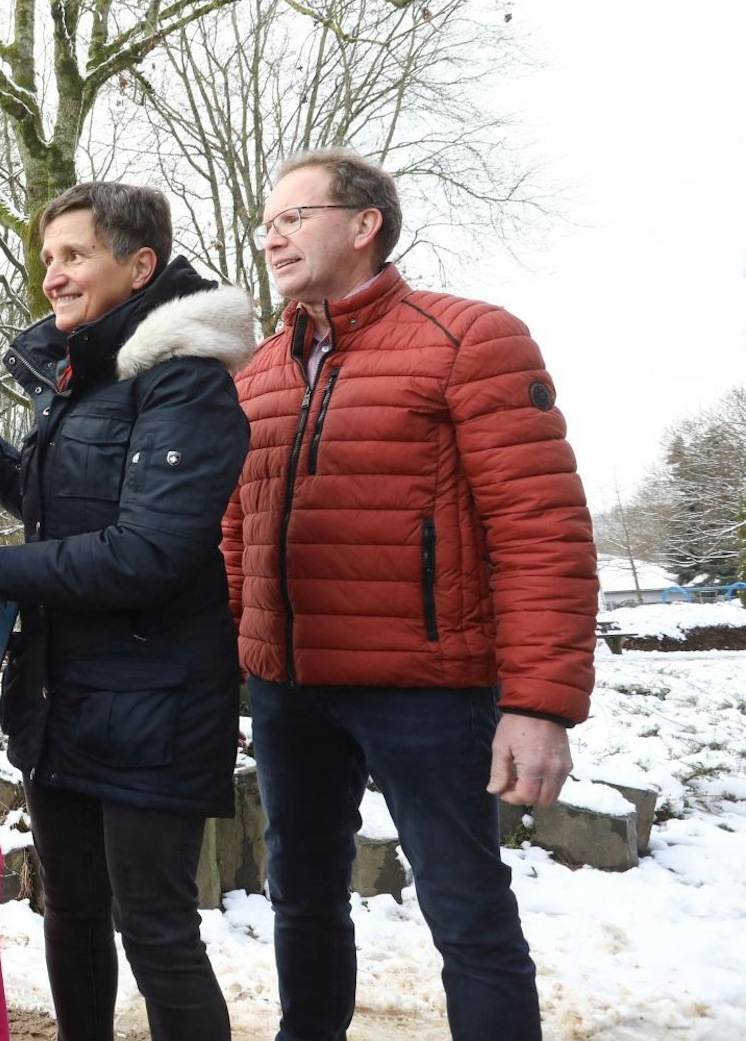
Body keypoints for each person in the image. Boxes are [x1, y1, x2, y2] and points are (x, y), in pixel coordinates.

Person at [223, 149, 596, 1041]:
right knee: (301, 895)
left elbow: (541, 526)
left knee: (466, 910)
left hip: (428, 688)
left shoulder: (471, 338)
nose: (271, 234)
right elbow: (233, 529)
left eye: (293, 216)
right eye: (265, 221)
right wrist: (240, 651)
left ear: (364, 225)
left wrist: (539, 704)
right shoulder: (257, 371)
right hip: (288, 692)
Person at [0, 181, 254, 1040]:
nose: (54, 275)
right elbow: (44, 498)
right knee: (70, 913)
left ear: (140, 264)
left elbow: (147, 552)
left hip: (155, 704)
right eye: (49, 258)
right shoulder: (79, 379)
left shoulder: (186, 384)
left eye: (75, 255)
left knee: (155, 929)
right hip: (65, 698)